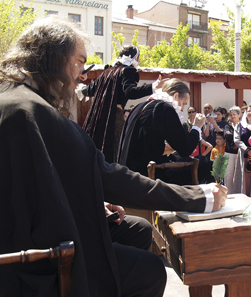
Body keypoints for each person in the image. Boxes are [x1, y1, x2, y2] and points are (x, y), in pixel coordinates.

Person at [0, 16, 228, 297]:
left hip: (22, 234)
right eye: (80, 62)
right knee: (150, 270)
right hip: (36, 261)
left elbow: (37, 181)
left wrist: (97, 199)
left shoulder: (12, 99)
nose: (83, 76)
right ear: (55, 58)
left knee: (139, 229)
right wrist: (199, 197)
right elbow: (107, 174)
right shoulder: (32, 112)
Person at [81, 45, 166, 163]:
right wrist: (153, 87)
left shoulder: (107, 71)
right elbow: (130, 92)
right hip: (114, 117)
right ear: (135, 57)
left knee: (97, 148)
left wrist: (79, 83)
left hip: (99, 116)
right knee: (116, 152)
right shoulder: (128, 71)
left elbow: (89, 90)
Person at [118, 78, 206, 185]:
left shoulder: (140, 106)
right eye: (183, 103)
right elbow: (185, 149)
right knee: (205, 165)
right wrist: (197, 127)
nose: (182, 108)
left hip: (128, 172)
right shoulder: (164, 108)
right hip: (148, 174)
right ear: (176, 96)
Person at [223, 106, 241, 194]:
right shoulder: (228, 126)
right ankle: (228, 195)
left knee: (238, 176)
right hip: (229, 153)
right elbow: (226, 136)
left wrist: (232, 135)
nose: (232, 116)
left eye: (234, 114)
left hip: (239, 153)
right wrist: (236, 136)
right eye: (231, 115)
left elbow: (241, 138)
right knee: (228, 176)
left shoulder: (243, 126)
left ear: (239, 115)